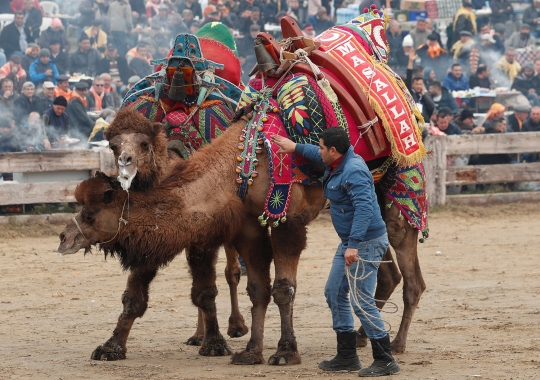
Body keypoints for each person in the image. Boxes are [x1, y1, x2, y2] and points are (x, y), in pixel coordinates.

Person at [271, 127, 400, 377]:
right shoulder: (339, 159)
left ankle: (385, 360)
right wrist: (294, 146)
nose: (318, 151)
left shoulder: (353, 171)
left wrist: (353, 244)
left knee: (361, 301)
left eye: (321, 147)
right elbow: (316, 154)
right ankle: (347, 355)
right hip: (352, 242)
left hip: (365, 242)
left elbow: (364, 209)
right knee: (334, 292)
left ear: (333, 150)